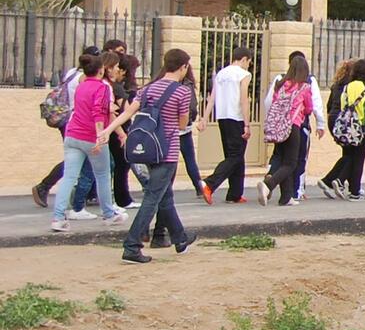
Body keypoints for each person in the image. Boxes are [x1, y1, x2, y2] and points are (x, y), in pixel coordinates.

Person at [119, 48, 199, 264]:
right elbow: (182, 124)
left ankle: (180, 238)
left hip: (147, 148)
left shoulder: (148, 88)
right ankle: (132, 246)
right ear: (183, 67)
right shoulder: (182, 92)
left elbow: (128, 112)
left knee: (165, 196)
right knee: (153, 197)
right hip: (167, 150)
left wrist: (108, 131)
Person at [47, 51, 125, 234]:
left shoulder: (81, 85)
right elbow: (98, 112)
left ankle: (58, 218)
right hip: (91, 137)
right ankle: (108, 213)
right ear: (101, 71)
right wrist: (100, 136)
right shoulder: (102, 88)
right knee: (103, 175)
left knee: (69, 176)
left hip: (73, 134)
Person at [31, 45, 97, 209]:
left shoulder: (72, 71)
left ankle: (88, 194)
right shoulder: (83, 77)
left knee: (81, 158)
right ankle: (45, 186)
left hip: (67, 119)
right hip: (75, 120)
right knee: (78, 158)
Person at [199, 46, 254, 204]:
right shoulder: (243, 74)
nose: (248, 65)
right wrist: (247, 124)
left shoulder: (221, 73)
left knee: (236, 156)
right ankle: (209, 183)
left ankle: (235, 193)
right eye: (248, 62)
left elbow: (212, 97)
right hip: (236, 118)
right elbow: (244, 99)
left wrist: (204, 118)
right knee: (235, 156)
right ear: (244, 59)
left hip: (222, 117)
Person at [259, 55, 314, 206]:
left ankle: (286, 197)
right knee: (290, 163)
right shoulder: (305, 87)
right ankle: (268, 185)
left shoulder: (281, 84)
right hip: (293, 127)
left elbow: (273, 101)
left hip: (279, 126)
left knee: (283, 159)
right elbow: (309, 108)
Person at [320, 58, 365, 200]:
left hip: (348, 126)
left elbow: (341, 105)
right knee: (359, 159)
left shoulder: (347, 87)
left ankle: (339, 181)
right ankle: (354, 191)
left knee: (350, 156)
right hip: (362, 127)